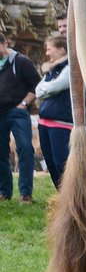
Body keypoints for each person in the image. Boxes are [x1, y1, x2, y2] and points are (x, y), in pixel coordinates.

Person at [0, 28, 40, 204]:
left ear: (4, 43)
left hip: (18, 112)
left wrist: (23, 104)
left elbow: (36, 86)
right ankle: (4, 192)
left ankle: (25, 193)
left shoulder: (21, 62)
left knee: (24, 148)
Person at [35, 33, 73, 189]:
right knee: (50, 163)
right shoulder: (51, 70)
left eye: (50, 49)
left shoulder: (69, 68)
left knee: (61, 162)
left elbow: (56, 87)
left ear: (62, 50)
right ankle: (61, 195)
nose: (47, 53)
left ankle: (70, 193)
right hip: (45, 123)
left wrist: (46, 90)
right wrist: (46, 90)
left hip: (61, 123)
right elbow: (38, 90)